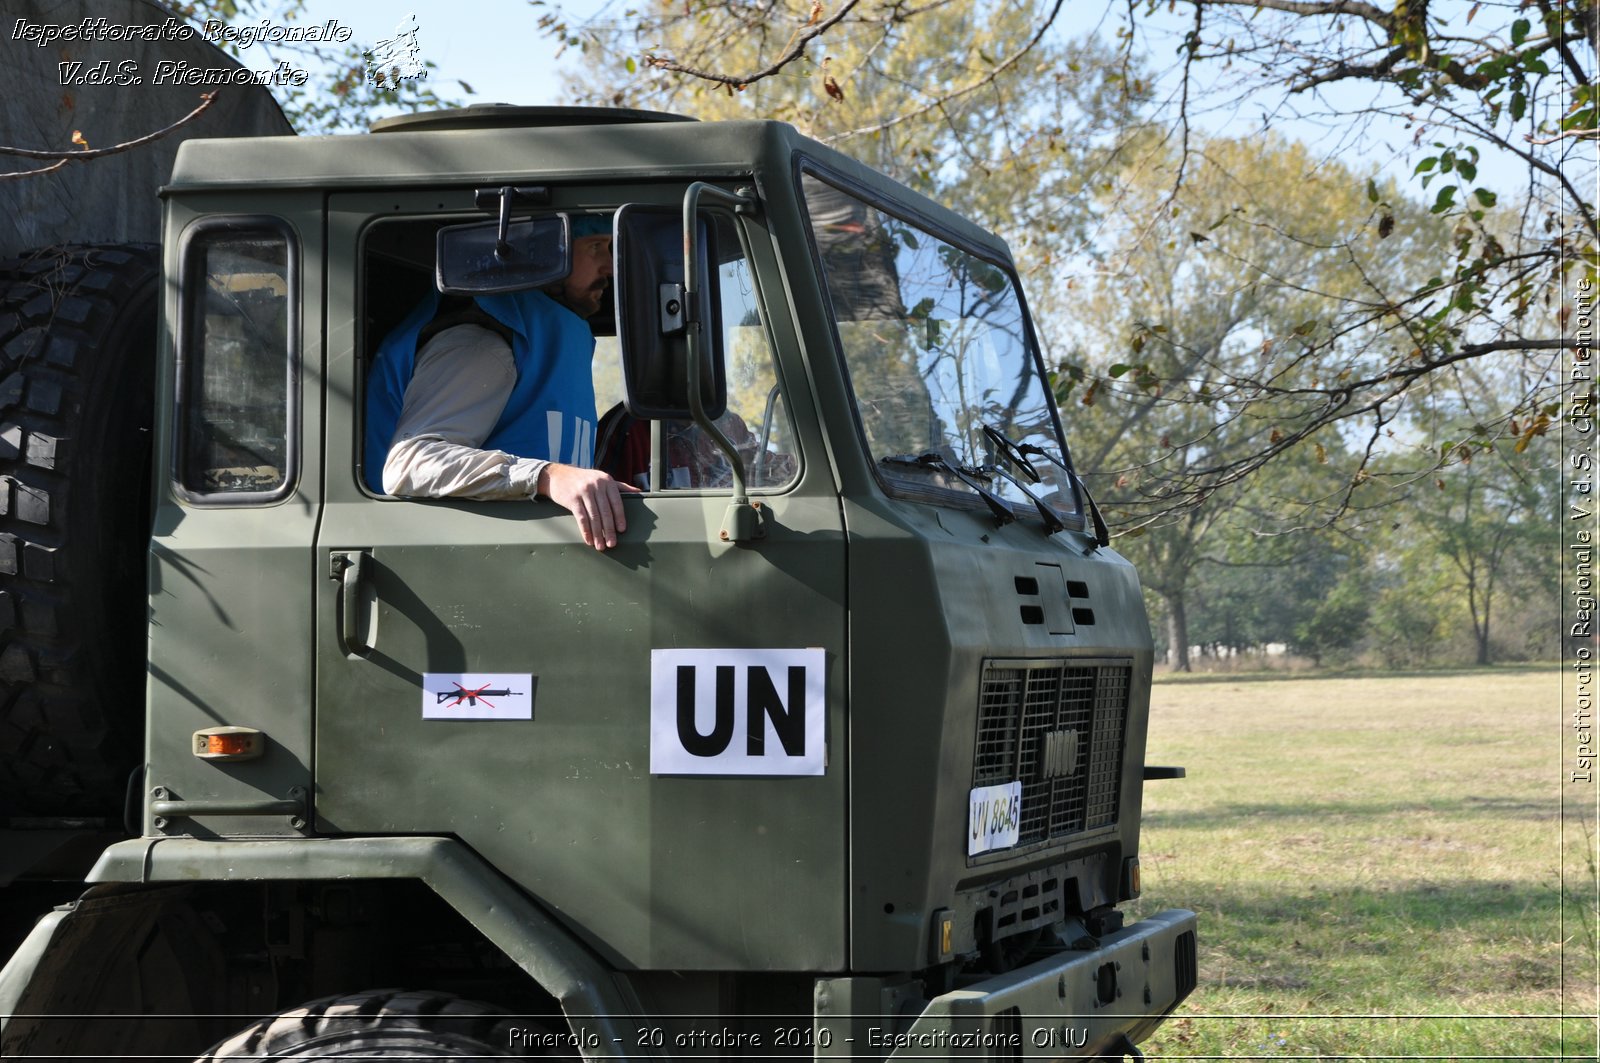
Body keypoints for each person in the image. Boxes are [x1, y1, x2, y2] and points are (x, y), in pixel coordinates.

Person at [365, 215, 637, 551]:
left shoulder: (543, 343)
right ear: (545, 255)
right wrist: (548, 477)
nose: (609, 266)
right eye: (595, 247)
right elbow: (410, 463)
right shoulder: (483, 343)